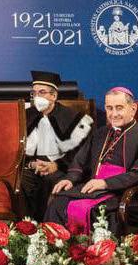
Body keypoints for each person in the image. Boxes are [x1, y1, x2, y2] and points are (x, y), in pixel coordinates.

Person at [46, 87, 138, 235]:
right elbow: (81, 161)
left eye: (119, 108)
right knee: (58, 203)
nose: (114, 114)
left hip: (129, 195)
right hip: (95, 189)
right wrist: (70, 179)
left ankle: (97, 250)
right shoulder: (100, 133)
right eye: (109, 108)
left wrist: (106, 183)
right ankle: (60, 248)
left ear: (133, 109)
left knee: (97, 211)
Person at [20, 71, 92, 220]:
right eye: (34, 93)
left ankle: (49, 227)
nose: (37, 97)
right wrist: (31, 164)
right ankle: (26, 225)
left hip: (61, 168)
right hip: (32, 167)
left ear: (54, 96)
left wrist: (56, 165)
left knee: (52, 181)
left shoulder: (73, 117)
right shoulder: (24, 115)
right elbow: (17, 147)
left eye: (42, 92)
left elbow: (81, 152)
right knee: (21, 180)